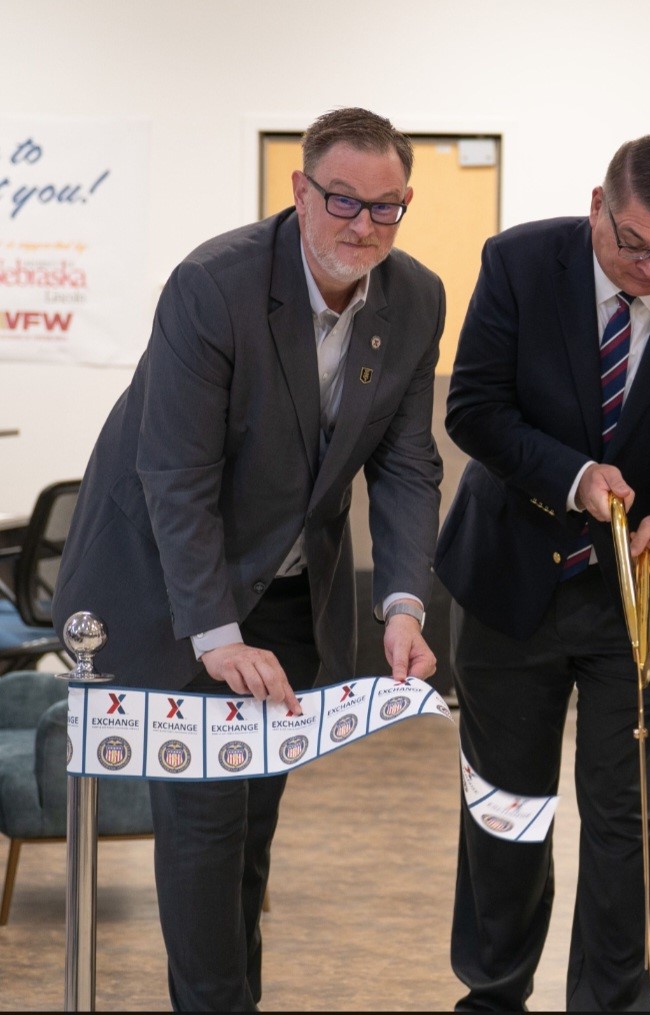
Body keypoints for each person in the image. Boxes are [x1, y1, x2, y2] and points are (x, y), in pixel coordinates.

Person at [52, 107, 445, 1011]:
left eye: (387, 208)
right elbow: (175, 473)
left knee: (252, 821)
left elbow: (406, 463)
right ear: (301, 191)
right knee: (200, 823)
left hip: (286, 585)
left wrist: (403, 605)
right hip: (168, 581)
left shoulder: (414, 297)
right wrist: (214, 633)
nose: (363, 225)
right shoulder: (214, 285)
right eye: (343, 200)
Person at [433, 134, 650, 1011]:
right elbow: (474, 409)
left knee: (625, 822)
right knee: (508, 808)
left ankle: (612, 1004)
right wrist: (573, 477)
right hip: (511, 583)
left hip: (637, 596)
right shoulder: (520, 263)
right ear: (596, 208)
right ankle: (493, 993)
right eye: (636, 246)